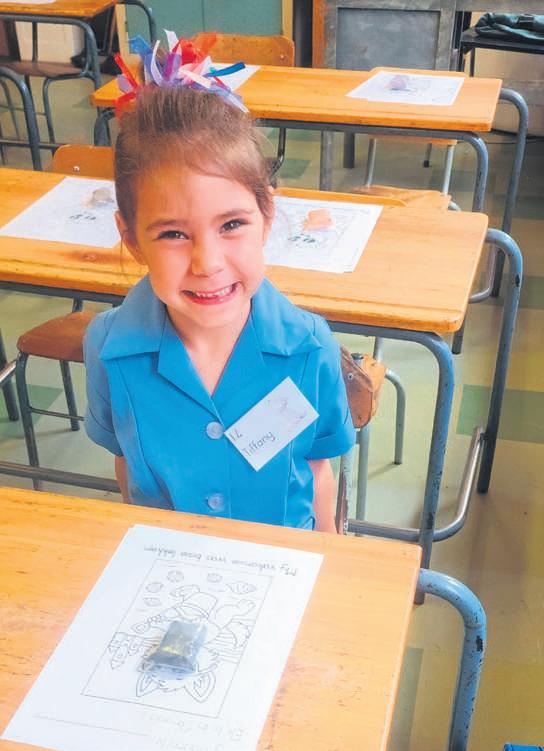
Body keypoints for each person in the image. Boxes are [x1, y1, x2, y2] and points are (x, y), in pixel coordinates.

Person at [84, 80, 355, 533]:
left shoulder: (310, 348)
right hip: (168, 558)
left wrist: (328, 558)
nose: (207, 263)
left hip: (280, 559)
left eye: (231, 225)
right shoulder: (108, 347)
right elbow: (126, 465)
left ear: (266, 218)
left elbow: (317, 470)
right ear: (131, 240)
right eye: (172, 234)